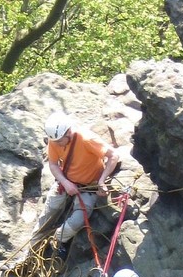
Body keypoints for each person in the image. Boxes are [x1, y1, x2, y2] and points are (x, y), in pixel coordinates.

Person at [30, 111, 121, 259]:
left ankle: (59, 239)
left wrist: (101, 181)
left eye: (60, 141)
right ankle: (31, 249)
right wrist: (65, 183)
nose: (57, 144)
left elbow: (113, 155)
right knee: (47, 214)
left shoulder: (86, 139)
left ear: (69, 132)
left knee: (78, 219)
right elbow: (53, 164)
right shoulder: (55, 140)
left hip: (88, 186)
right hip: (66, 181)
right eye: (56, 142)